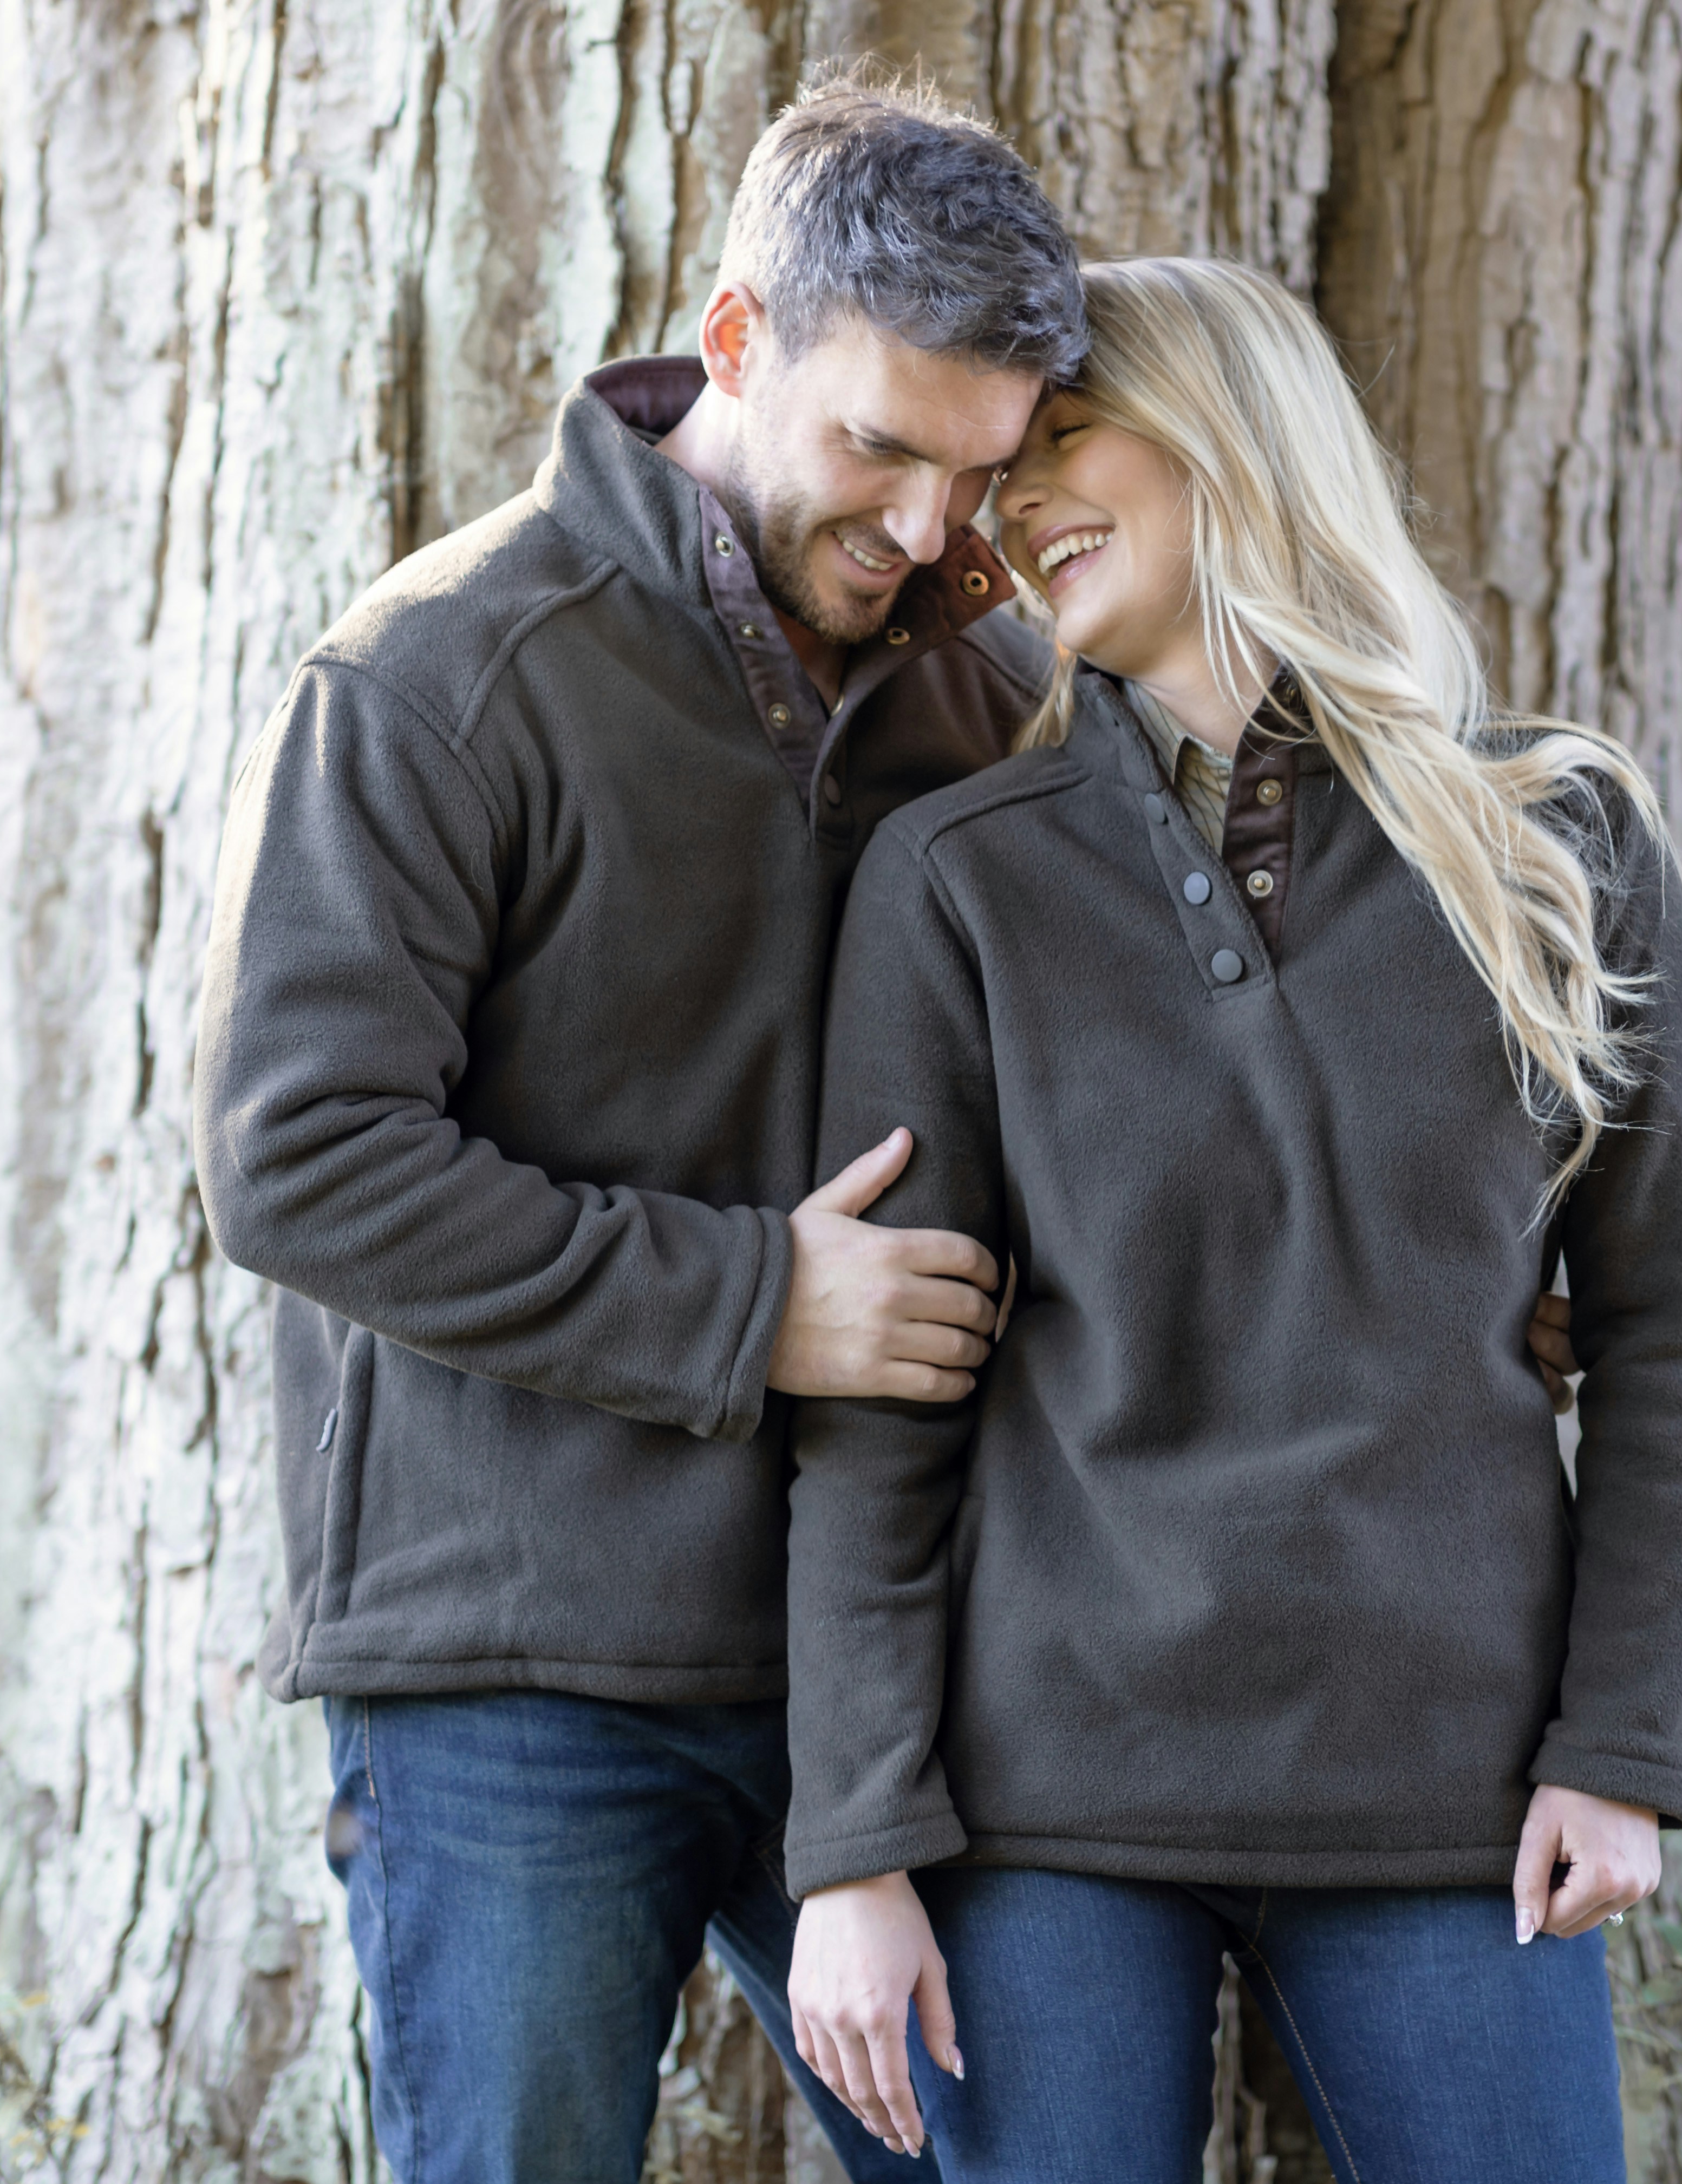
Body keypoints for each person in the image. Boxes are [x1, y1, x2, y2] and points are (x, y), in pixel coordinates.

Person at [190, 70, 1080, 2184]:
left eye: (984, 470)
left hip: (894, 1676)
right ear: (741, 339)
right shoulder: (435, 678)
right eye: (879, 448)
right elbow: (299, 1154)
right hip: (513, 1655)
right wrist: (753, 1299)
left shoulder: (991, 704)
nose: (931, 533)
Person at [779, 257, 1682, 2179]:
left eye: (1064, 438)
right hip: (1047, 1805)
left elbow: (1664, 1341)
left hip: (1454, 1795)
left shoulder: (1559, 849)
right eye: (999, 474)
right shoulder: (959, 879)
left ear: (1226, 428)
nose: (1012, 504)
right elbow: (891, 1390)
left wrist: (1621, 1748)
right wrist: (858, 1842)